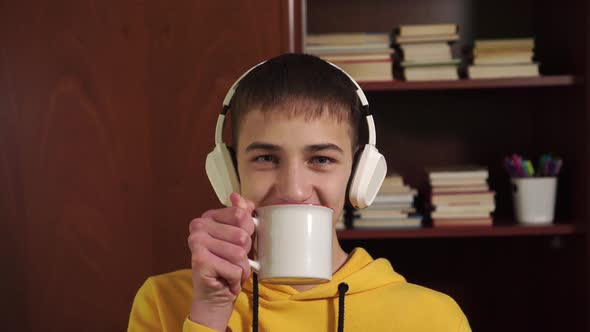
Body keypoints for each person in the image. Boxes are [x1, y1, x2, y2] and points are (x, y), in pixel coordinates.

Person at [127, 53, 471, 332]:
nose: (293, 189)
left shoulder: (435, 319)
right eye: (265, 158)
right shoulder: (163, 301)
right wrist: (210, 315)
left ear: (358, 174)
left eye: (321, 159)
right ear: (229, 173)